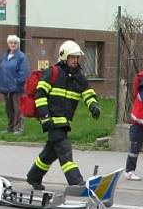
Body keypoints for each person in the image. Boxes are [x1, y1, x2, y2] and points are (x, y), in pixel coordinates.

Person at [25, 40, 101, 190]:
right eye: (73, 57)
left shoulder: (79, 76)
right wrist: (45, 117)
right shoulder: (52, 73)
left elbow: (87, 93)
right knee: (64, 151)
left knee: (51, 152)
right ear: (64, 57)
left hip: (65, 122)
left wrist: (93, 105)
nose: (75, 60)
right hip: (52, 121)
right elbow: (40, 95)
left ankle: (33, 176)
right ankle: (77, 183)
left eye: (77, 57)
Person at [0, 34, 30, 134]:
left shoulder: (21, 57)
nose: (13, 44)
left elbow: (24, 72)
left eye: (15, 43)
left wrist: (17, 82)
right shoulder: (4, 56)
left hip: (16, 88)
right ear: (8, 44)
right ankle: (10, 127)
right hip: (5, 87)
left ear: (18, 44)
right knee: (9, 109)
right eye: (11, 43)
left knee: (17, 109)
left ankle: (18, 128)